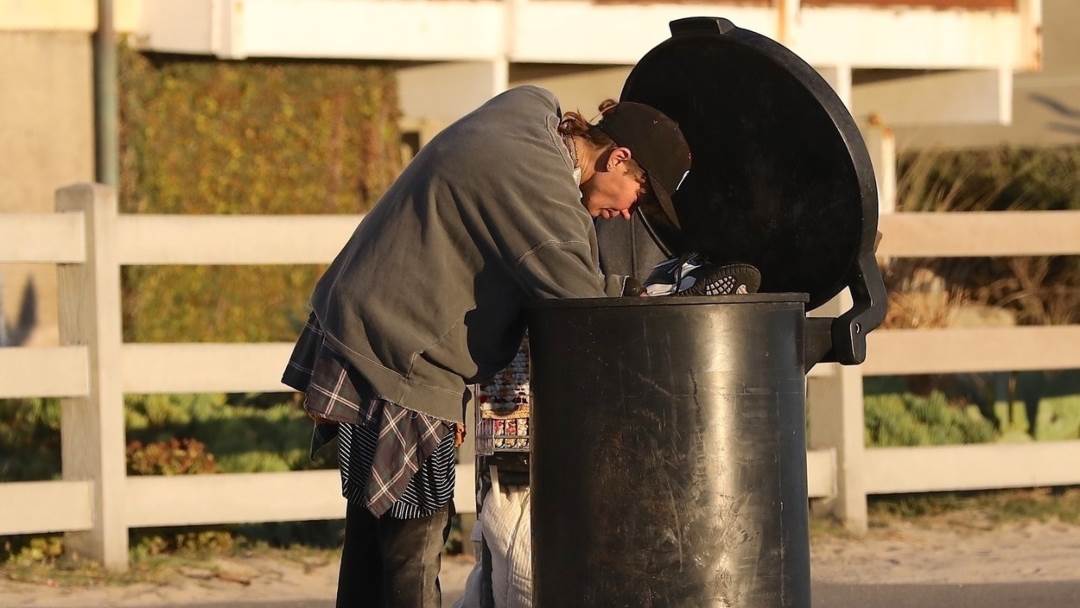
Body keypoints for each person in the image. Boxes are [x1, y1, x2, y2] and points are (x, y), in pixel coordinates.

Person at [280, 84, 692, 608]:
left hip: (363, 322)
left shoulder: (528, 112)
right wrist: (645, 294)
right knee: (413, 547)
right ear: (618, 158)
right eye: (642, 194)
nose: (633, 212)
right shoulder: (542, 189)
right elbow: (580, 307)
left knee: (370, 542)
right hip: (401, 355)